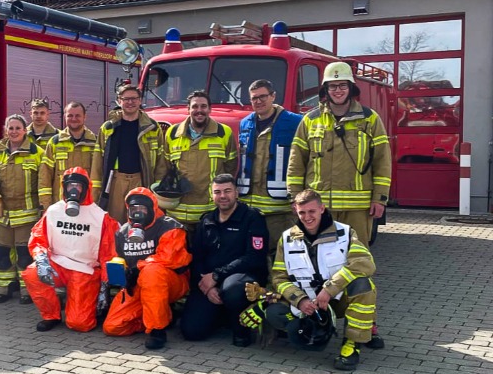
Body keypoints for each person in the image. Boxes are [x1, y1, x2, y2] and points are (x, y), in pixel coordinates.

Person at [248, 189, 377, 370]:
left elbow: (364, 264)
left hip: (337, 300)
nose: (307, 217)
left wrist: (329, 290)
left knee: (363, 286)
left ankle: (352, 344)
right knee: (274, 313)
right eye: (302, 212)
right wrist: (300, 300)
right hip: (307, 303)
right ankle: (308, 330)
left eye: (311, 211)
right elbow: (279, 278)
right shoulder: (286, 239)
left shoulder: (345, 233)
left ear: (322, 209)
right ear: (295, 211)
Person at [287, 61, 392, 249]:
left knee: (357, 255)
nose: (338, 90)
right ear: (325, 89)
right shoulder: (310, 120)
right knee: (319, 255)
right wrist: (295, 197)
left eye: (343, 85)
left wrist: (379, 198)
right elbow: (296, 163)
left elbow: (382, 162)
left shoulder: (370, 119)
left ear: (350, 88)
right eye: (333, 85)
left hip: (358, 208)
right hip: (318, 207)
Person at [22, 167, 120, 332]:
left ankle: (92, 305)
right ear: (64, 188)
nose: (74, 190)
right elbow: (39, 238)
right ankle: (51, 315)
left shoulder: (99, 217)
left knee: (79, 324)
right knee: (32, 273)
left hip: (85, 270)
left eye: (78, 186)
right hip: (58, 265)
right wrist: (40, 259)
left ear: (86, 188)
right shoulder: (54, 211)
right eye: (70, 186)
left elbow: (108, 254)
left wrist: (105, 286)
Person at [180, 174, 269, 346]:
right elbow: (197, 256)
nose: (223, 196)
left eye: (227, 191)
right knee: (191, 331)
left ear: (236, 192)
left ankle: (241, 329)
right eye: (217, 192)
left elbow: (254, 257)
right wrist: (206, 287)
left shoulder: (252, 218)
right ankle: (221, 316)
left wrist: (216, 276)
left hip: (241, 279)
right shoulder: (207, 220)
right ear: (212, 195)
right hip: (211, 282)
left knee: (232, 290)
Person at [102, 187, 191, 350]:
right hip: (138, 286)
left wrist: (138, 267)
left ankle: (157, 330)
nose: (138, 214)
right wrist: (123, 274)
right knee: (113, 327)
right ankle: (160, 315)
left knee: (152, 272)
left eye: (142, 209)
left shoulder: (169, 227)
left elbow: (169, 258)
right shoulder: (122, 233)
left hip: (172, 283)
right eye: (133, 209)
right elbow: (118, 259)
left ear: (152, 209)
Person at [0, 114, 43, 303]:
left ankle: (26, 290)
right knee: (2, 253)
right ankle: (3, 289)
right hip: (1, 216)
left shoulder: (36, 153)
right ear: (5, 130)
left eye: (17, 128)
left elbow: (44, 183)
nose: (14, 132)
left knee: (24, 255)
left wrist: (43, 211)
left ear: (25, 130)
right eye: (10, 128)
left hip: (27, 215)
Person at [237, 80, 303, 253]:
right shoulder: (245, 124)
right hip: (250, 207)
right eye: (254, 98)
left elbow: (304, 161)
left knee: (280, 256)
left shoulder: (295, 122)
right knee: (253, 254)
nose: (258, 101)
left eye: (262, 96)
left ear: (273, 96)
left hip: (280, 209)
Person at [162, 90, 237, 230]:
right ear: (188, 109)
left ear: (210, 109)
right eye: (195, 107)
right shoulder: (172, 134)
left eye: (203, 106)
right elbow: (164, 168)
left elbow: (230, 168)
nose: (199, 110)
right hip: (178, 214)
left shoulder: (224, 133)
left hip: (211, 212)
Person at [92, 85, 166, 223]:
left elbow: (161, 162)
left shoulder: (152, 128)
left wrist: (158, 189)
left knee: (141, 222)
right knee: (115, 223)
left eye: (134, 98)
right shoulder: (108, 127)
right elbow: (97, 162)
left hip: (142, 180)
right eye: (126, 99)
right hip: (116, 182)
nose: (130, 102)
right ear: (119, 101)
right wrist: (96, 193)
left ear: (140, 101)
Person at [38, 102, 97, 209]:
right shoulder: (55, 142)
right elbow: (45, 177)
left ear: (85, 117)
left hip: (87, 206)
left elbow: (99, 177)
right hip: (60, 205)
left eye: (77, 115)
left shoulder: (95, 143)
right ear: (64, 117)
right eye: (70, 115)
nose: (73, 118)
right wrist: (46, 206)